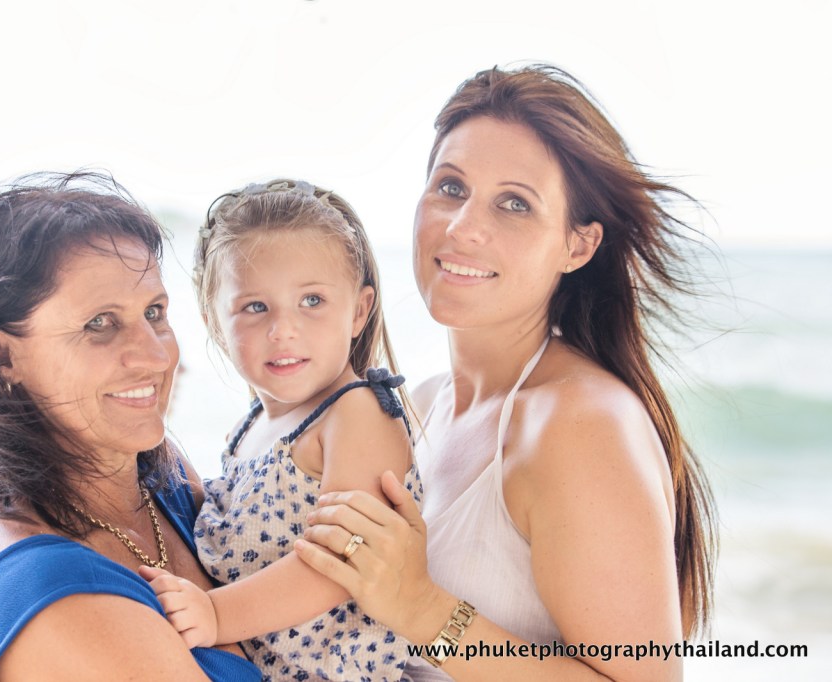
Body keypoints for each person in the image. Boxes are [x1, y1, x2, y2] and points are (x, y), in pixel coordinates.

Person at [294, 64, 717, 681]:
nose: (463, 227)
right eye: (450, 187)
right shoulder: (421, 405)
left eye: (514, 204)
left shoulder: (580, 423)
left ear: (578, 246)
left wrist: (424, 609)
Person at [0, 172, 261, 682]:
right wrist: (424, 619)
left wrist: (427, 625)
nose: (155, 356)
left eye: (154, 312)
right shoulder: (64, 604)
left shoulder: (159, 481)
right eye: (99, 324)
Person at [141, 179, 421, 682]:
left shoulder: (357, 414)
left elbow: (343, 560)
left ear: (358, 311)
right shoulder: (249, 430)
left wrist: (217, 613)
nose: (283, 329)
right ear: (213, 322)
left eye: (311, 301)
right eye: (255, 307)